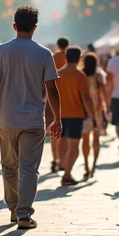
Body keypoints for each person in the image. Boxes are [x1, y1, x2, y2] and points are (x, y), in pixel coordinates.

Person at [0, 6, 61, 229]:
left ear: (14, 26)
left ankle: (13, 208)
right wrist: (58, 118)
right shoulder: (44, 54)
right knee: (29, 169)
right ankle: (24, 214)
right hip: (33, 121)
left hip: (7, 119)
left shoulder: (1, 51)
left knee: (9, 166)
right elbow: (52, 89)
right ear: (35, 28)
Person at [54, 47, 94, 186]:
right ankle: (67, 174)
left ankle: (62, 164)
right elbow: (86, 98)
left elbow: (51, 96)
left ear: (66, 57)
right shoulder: (80, 75)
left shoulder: (58, 74)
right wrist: (92, 115)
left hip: (59, 113)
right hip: (76, 114)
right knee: (74, 146)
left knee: (62, 141)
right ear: (79, 58)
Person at [81, 52, 109, 178]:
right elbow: (102, 93)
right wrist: (104, 109)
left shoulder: (81, 74)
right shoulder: (99, 75)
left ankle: (86, 164)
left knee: (85, 139)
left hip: (84, 109)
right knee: (96, 139)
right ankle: (94, 164)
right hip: (97, 109)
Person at [50, 37, 70, 173]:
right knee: (65, 133)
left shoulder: (53, 57)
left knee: (54, 131)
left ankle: (55, 159)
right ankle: (63, 160)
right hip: (68, 96)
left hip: (55, 96)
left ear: (58, 45)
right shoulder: (72, 58)